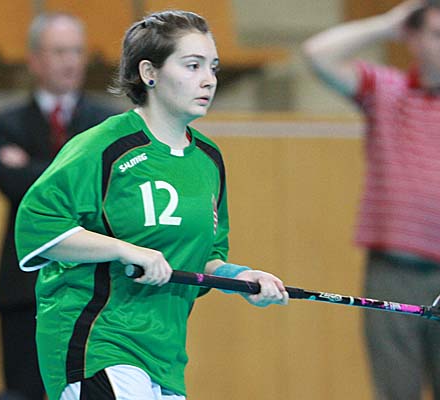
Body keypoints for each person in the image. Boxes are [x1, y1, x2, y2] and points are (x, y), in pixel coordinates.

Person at [14, 10, 289, 400]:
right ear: (149, 72)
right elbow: (38, 225)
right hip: (98, 338)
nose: (208, 79)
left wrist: (242, 278)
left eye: (212, 67)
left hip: (165, 352)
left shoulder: (209, 160)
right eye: (192, 66)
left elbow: (205, 258)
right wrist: (125, 250)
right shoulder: (104, 145)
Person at [302, 1, 440, 399]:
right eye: (438, 34)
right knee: (394, 392)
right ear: (414, 40)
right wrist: (387, 24)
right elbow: (317, 53)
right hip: (391, 271)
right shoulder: (386, 91)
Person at [0, 13, 118, 400]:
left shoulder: (109, 123)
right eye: (60, 51)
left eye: (77, 51)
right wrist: (77, 172)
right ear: (34, 60)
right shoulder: (6, 122)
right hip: (22, 288)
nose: (71, 61)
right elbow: (13, 185)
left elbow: (100, 191)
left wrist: (32, 166)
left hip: (91, 287)